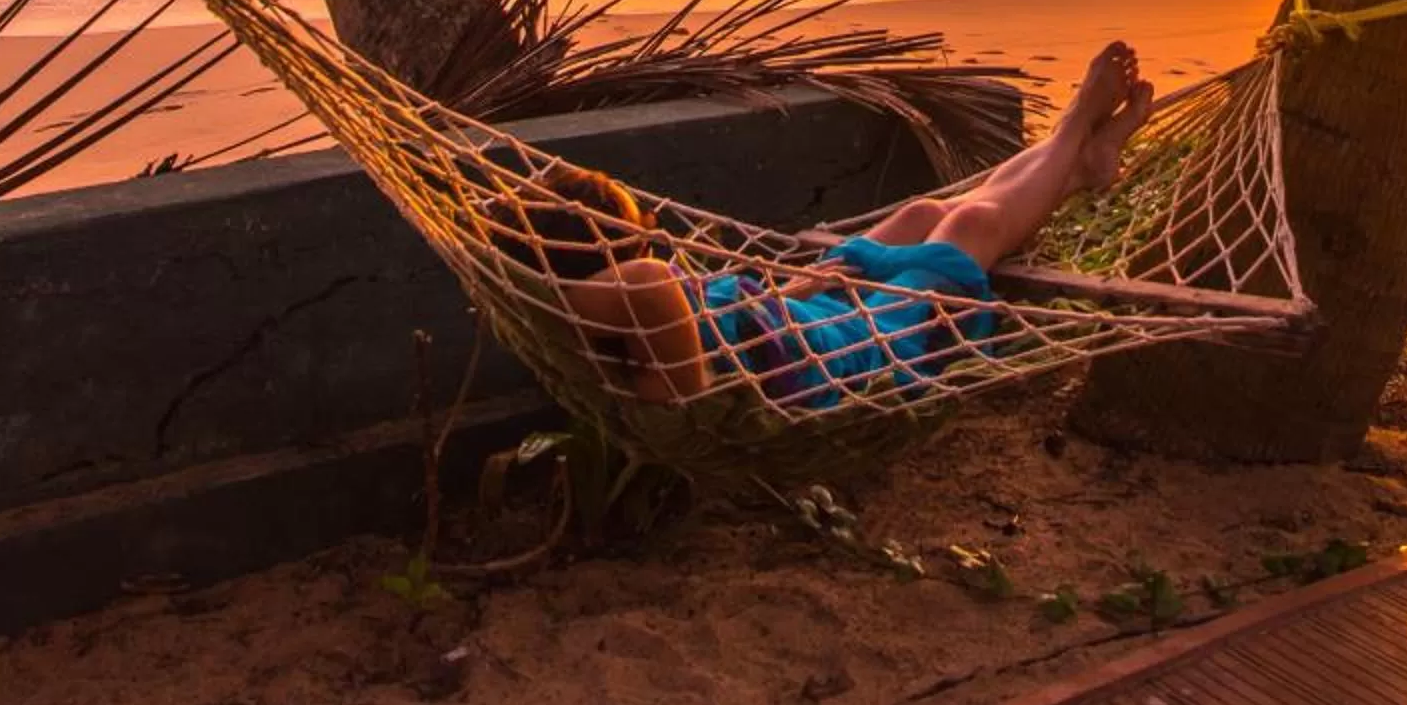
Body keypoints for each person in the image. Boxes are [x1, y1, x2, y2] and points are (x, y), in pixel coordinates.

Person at [486, 42, 1156, 413]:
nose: (655, 237)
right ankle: (1073, 128)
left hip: (816, 310)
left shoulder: (649, 306)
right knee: (970, 223)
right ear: (604, 251)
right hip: (869, 347)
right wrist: (540, 277)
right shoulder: (649, 313)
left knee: (927, 215)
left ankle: (1078, 166)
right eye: (637, 231)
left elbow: (713, 305)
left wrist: (801, 289)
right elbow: (660, 307)